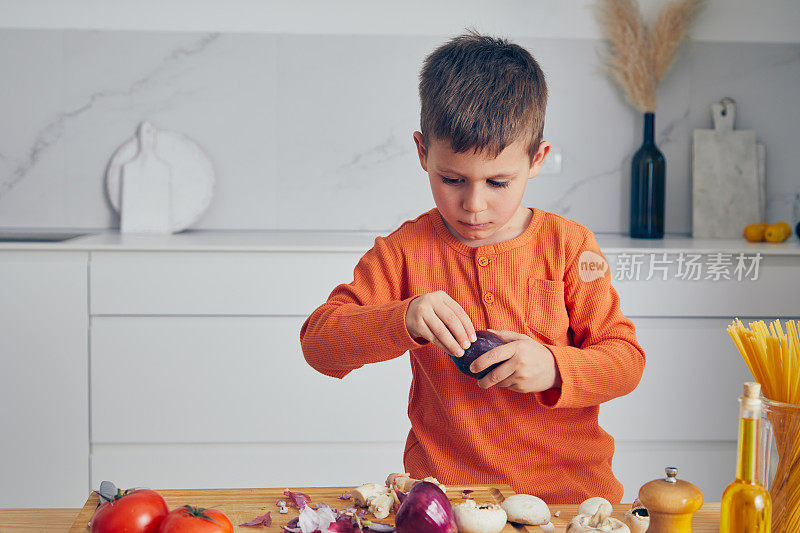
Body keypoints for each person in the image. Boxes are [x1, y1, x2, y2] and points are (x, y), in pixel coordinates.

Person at [299, 30, 645, 503]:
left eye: (499, 182)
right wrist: (402, 318)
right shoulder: (403, 251)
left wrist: (554, 367)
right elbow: (319, 344)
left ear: (537, 159)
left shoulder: (571, 245)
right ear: (423, 153)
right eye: (453, 179)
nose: (475, 204)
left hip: (571, 501)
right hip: (446, 502)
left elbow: (626, 361)